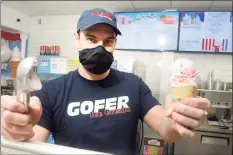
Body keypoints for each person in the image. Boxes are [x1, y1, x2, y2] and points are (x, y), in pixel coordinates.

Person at [1, 8, 211, 155]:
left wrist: (177, 121)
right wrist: (16, 131)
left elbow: (167, 130)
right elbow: (30, 141)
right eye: (92, 39)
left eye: (108, 41)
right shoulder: (53, 91)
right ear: (77, 39)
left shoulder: (134, 85)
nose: (100, 47)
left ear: (115, 43)